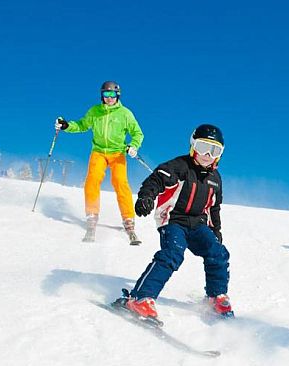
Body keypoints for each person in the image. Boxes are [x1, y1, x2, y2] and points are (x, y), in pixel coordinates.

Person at [120, 124, 233, 319]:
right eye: (202, 147)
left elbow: (214, 208)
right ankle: (140, 298)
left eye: (214, 150)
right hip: (173, 221)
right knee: (172, 254)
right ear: (192, 146)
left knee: (218, 252)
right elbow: (155, 180)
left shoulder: (216, 179)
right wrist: (146, 197)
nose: (207, 154)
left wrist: (216, 231)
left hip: (198, 225)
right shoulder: (179, 166)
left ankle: (216, 296)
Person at [55, 81, 144, 244]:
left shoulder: (125, 114)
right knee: (92, 180)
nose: (109, 98)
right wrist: (67, 126)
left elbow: (137, 133)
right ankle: (92, 214)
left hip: (117, 153)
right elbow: (82, 125)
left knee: (120, 182)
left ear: (118, 95)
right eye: (106, 94)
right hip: (98, 152)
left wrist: (133, 146)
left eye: (112, 95)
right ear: (102, 95)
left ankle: (128, 219)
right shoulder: (94, 112)